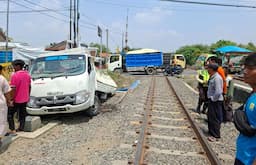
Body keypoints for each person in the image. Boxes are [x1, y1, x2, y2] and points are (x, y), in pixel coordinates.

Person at [235, 53, 256, 165]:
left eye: (250, 68)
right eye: (245, 67)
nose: (245, 71)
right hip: (243, 156)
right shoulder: (253, 94)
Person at [8, 60, 31, 132]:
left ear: (18, 66)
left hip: (16, 99)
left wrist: (11, 99)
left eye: (14, 66)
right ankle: (21, 128)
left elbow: (13, 89)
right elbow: (29, 86)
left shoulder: (14, 75)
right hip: (25, 99)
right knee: (22, 114)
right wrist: (28, 96)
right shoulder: (27, 74)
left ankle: (12, 129)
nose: (13, 67)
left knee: (10, 114)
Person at [207, 63, 224, 142]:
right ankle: (211, 132)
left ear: (212, 69)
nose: (207, 70)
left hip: (216, 101)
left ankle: (216, 135)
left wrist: (213, 99)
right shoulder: (213, 77)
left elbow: (218, 91)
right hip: (213, 100)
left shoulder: (217, 78)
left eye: (208, 68)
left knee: (215, 118)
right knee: (211, 116)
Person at [0, 65, 12, 146]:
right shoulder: (1, 78)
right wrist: (9, 101)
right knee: (1, 121)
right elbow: (7, 92)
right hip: (0, 104)